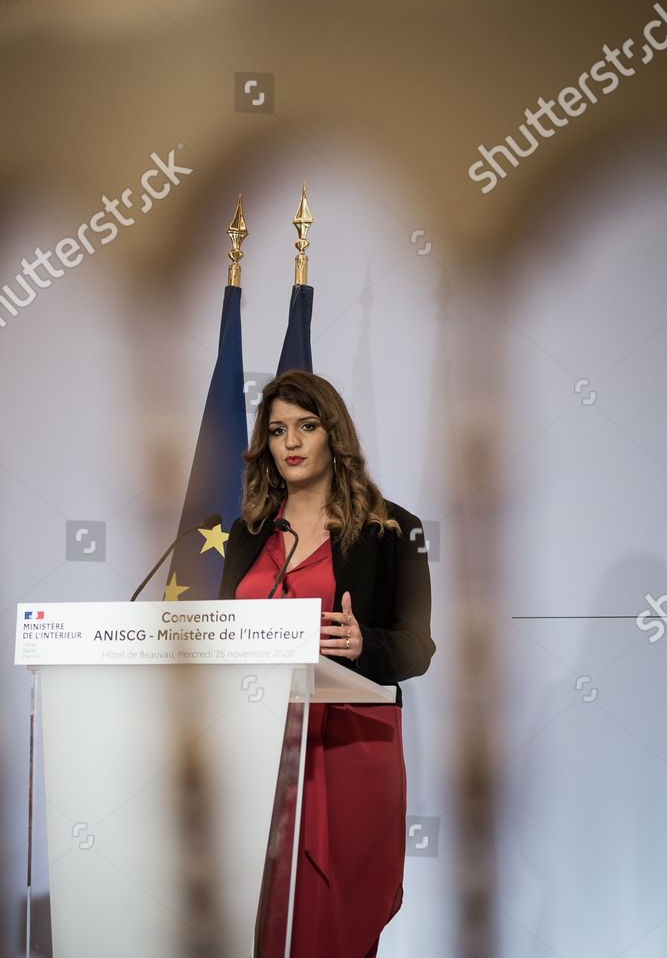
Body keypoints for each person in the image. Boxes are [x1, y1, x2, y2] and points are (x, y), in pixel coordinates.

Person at [218, 369, 434, 958]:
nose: (290, 442)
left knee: (331, 924)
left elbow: (419, 647)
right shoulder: (247, 533)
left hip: (346, 749)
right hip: (257, 748)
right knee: (255, 917)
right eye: (278, 429)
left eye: (306, 427)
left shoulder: (395, 531)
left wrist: (366, 645)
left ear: (332, 434)